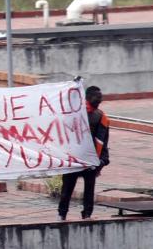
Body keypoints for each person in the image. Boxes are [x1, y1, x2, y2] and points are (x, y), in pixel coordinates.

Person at [58, 85, 110, 220]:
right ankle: (62, 214)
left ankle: (87, 214)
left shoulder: (102, 117)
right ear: (87, 97)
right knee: (67, 189)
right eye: (97, 96)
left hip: (91, 160)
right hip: (74, 158)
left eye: (100, 97)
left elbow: (103, 140)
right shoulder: (75, 113)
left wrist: (102, 161)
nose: (100, 99)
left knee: (89, 190)